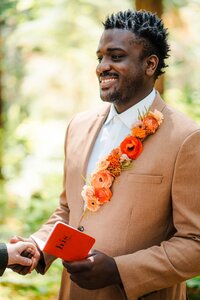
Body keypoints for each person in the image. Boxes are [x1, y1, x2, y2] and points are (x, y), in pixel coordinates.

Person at [10, 10, 200, 300]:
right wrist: (37, 246)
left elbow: (195, 243)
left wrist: (119, 270)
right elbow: (68, 209)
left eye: (116, 56)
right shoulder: (79, 127)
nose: (102, 67)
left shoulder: (186, 138)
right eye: (100, 57)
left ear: (150, 64)